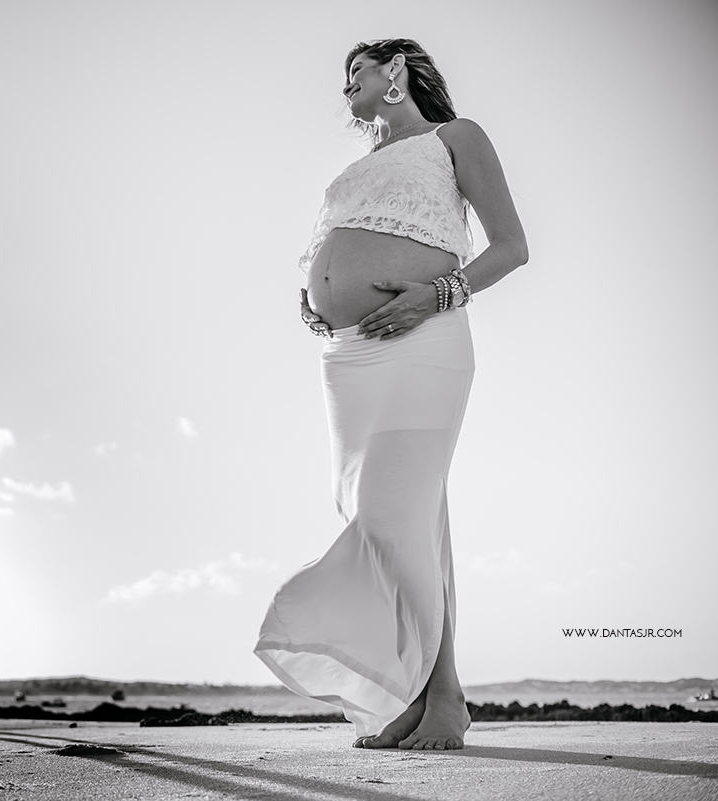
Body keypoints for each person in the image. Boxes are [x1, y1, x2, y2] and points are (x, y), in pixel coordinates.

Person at [254, 38, 527, 751]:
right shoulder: (356, 169)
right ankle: (426, 696)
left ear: (397, 74)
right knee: (394, 520)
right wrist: (314, 297)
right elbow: (333, 247)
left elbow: (510, 245)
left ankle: (442, 695)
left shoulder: (454, 138)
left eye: (359, 71)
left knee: (389, 510)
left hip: (423, 343)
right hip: (346, 358)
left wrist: (433, 295)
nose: (346, 83)